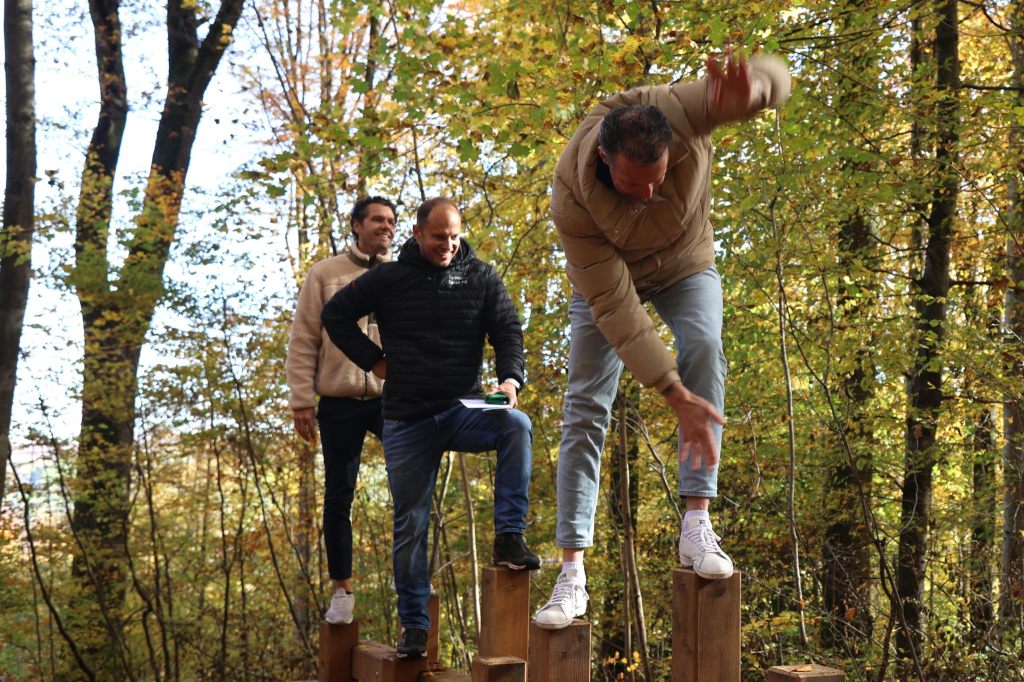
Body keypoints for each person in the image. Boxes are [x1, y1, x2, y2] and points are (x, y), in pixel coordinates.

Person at [534, 52, 791, 629]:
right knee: (584, 405)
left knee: (704, 347)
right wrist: (671, 392)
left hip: (683, 264)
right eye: (632, 184)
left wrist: (757, 89)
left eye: (657, 180)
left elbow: (778, 76)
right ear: (604, 158)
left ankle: (696, 524)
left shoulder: (682, 110)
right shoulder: (571, 199)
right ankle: (571, 570)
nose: (647, 194)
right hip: (609, 277)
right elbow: (615, 310)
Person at [321, 197, 540, 658]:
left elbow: (507, 330)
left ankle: (508, 537)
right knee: (411, 524)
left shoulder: (480, 276)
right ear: (418, 234)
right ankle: (415, 627)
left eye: (454, 236)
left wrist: (509, 377)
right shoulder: (389, 277)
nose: (447, 244)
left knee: (515, 426)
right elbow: (335, 315)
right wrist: (374, 361)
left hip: (465, 403)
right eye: (438, 236)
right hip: (406, 416)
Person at [286, 196, 397, 625]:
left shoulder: (400, 274)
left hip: (393, 398)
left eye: (390, 221)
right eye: (376, 220)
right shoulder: (325, 274)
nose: (385, 227)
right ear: (356, 225)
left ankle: (410, 576)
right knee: (339, 495)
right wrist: (302, 400)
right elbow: (303, 340)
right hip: (338, 399)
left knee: (411, 485)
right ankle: (342, 590)